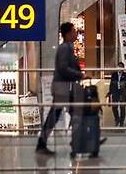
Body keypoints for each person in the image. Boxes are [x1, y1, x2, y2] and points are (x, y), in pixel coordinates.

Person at [36, 22, 85, 155]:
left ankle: (44, 142)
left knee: (61, 114)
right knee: (69, 114)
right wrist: (80, 74)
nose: (76, 33)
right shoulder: (65, 48)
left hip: (63, 88)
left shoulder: (68, 47)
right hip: (62, 88)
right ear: (68, 33)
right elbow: (63, 68)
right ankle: (76, 143)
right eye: (74, 31)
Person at [107, 62, 126, 127]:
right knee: (114, 107)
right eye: (119, 67)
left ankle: (122, 120)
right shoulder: (114, 75)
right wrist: (110, 92)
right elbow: (111, 84)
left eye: (121, 67)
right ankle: (117, 118)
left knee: (122, 107)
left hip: (123, 93)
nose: (120, 68)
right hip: (115, 92)